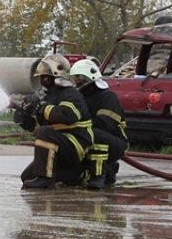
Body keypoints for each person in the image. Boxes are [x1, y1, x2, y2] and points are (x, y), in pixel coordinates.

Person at [15, 54, 93, 189]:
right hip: (60, 145)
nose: (43, 80)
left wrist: (41, 107)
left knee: (46, 132)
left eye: (45, 76)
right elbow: (41, 129)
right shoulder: (49, 97)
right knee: (27, 177)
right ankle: (72, 176)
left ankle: (45, 179)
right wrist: (25, 119)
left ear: (58, 75)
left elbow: (67, 116)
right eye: (41, 77)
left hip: (76, 144)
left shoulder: (71, 94)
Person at [70, 59, 128, 189]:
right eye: (74, 78)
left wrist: (78, 125)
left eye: (79, 78)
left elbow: (105, 124)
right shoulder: (81, 97)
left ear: (89, 78)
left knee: (94, 134)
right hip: (87, 136)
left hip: (114, 142)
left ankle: (98, 176)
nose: (76, 82)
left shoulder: (108, 96)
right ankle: (104, 169)